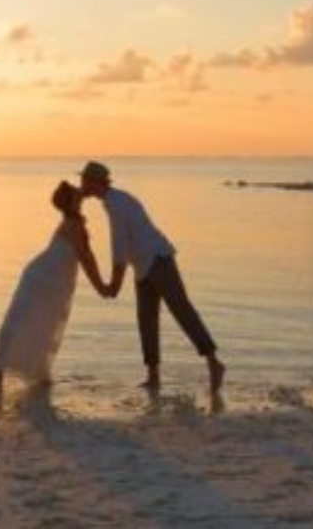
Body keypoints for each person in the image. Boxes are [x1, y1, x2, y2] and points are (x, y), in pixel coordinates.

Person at [79, 160, 226, 395]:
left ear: (95, 182)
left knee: (181, 310)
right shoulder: (111, 201)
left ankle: (214, 364)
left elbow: (119, 246)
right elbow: (124, 246)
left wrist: (114, 284)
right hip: (142, 264)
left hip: (158, 259)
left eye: (84, 181)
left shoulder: (117, 203)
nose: (81, 185)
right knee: (146, 319)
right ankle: (153, 376)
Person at [0, 180, 111, 394]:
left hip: (50, 278)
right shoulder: (74, 224)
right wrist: (102, 287)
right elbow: (86, 258)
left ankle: (31, 371)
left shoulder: (73, 220)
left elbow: (86, 257)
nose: (79, 189)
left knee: (39, 323)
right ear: (72, 201)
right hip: (45, 278)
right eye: (75, 190)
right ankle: (0, 370)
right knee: (23, 322)